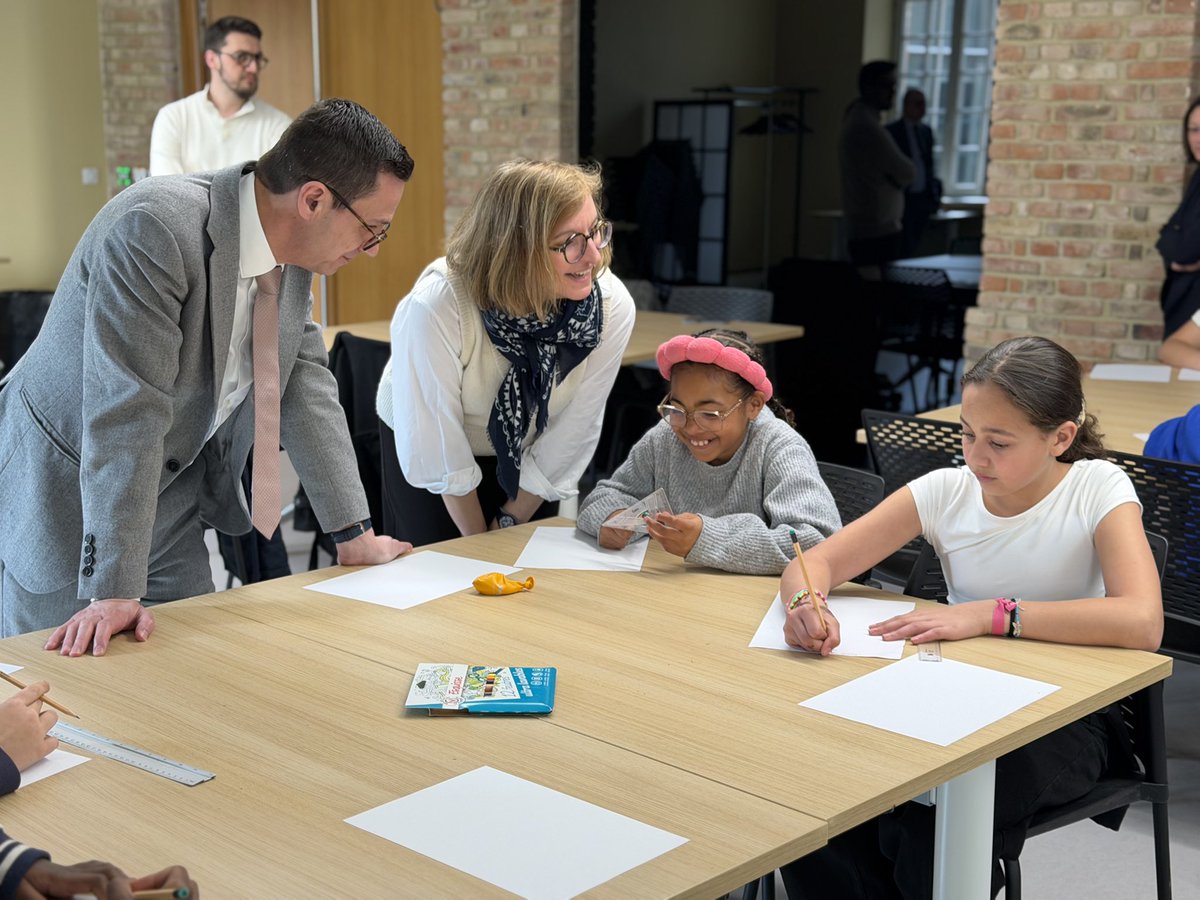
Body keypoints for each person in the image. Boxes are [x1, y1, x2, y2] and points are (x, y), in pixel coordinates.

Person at [0, 99, 416, 656]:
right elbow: (128, 408)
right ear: (314, 199)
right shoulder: (154, 229)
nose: (369, 250)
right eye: (373, 230)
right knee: (63, 689)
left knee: (188, 670)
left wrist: (353, 535)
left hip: (171, 489)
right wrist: (115, 587)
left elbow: (303, 383)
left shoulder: (291, 259)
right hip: (68, 488)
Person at [777, 335, 1163, 899]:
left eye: (999, 443)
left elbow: (1141, 622)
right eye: (967, 433)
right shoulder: (945, 491)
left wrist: (994, 614)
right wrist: (803, 603)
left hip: (1067, 718)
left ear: (1060, 438)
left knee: (933, 810)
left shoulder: (1097, 487)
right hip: (956, 698)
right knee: (824, 794)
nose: (976, 456)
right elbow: (815, 564)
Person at [376, 159, 636, 545]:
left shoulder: (610, 307)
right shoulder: (440, 303)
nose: (593, 256)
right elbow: (437, 439)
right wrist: (478, 540)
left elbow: (574, 427)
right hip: (434, 448)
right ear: (517, 249)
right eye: (569, 243)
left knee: (522, 578)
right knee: (441, 577)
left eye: (595, 232)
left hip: (531, 456)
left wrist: (509, 520)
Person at [576, 330, 840, 574]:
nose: (691, 427)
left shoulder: (779, 448)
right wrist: (611, 519)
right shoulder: (666, 437)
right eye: (678, 408)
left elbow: (819, 543)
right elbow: (605, 494)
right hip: (677, 595)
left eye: (710, 414)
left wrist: (706, 537)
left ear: (754, 405)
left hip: (754, 609)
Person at [150, 16, 291, 177]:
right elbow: (166, 192)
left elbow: (278, 196)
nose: (253, 67)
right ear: (212, 59)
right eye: (242, 57)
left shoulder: (277, 125)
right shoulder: (174, 118)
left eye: (257, 58)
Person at [840, 61, 916, 268]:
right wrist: (895, 177)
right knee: (879, 294)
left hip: (869, 226)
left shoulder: (859, 119)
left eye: (894, 86)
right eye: (886, 86)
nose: (892, 92)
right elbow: (907, 172)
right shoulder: (867, 127)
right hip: (877, 231)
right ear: (868, 87)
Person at [1156, 96, 1200, 340]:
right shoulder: (1197, 177)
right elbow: (1167, 240)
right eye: (1193, 129)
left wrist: (1174, 245)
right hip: (1183, 302)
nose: (1198, 138)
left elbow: (1182, 250)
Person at [886, 89, 942, 257]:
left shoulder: (926, 132)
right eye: (918, 104)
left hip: (922, 200)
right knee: (900, 245)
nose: (922, 108)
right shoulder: (892, 131)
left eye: (924, 104)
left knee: (918, 246)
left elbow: (929, 166)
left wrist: (934, 197)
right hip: (902, 198)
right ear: (906, 105)